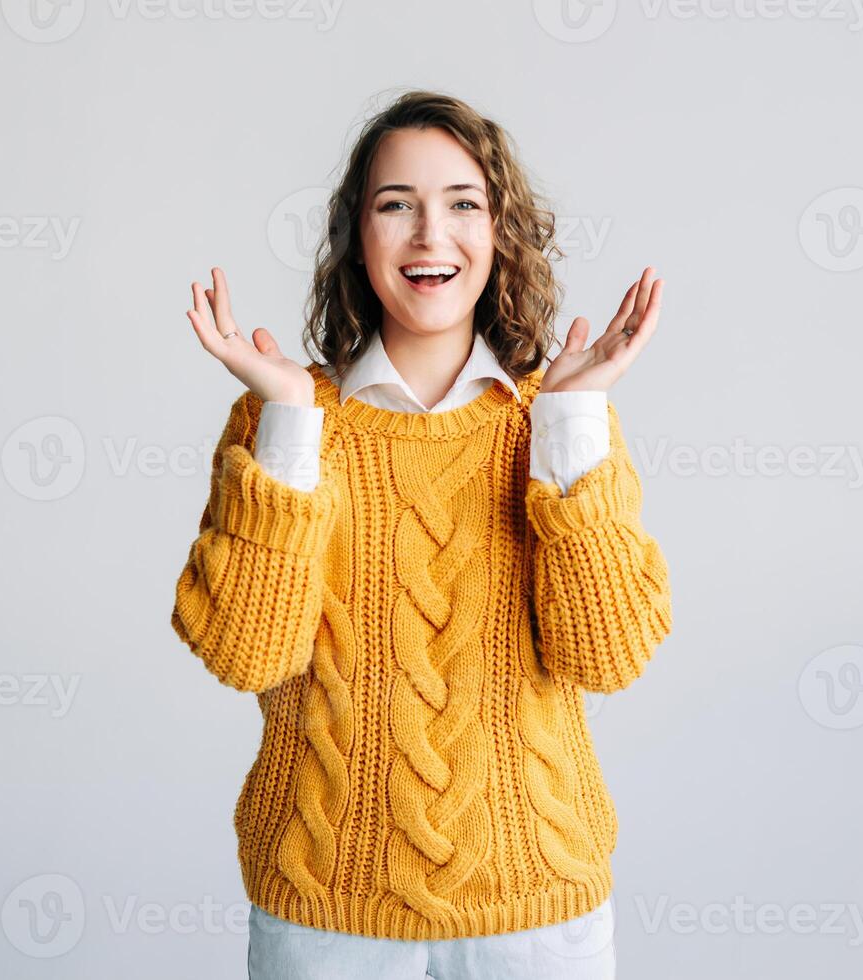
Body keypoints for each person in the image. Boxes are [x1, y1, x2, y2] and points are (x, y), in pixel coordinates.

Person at [171, 89, 672, 979]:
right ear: (356, 238)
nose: (429, 234)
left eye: (463, 204)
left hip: (539, 906)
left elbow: (612, 656)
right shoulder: (278, 421)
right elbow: (248, 654)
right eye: (395, 204)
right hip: (325, 911)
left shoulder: (555, 421)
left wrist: (569, 420)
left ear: (500, 234)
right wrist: (290, 418)